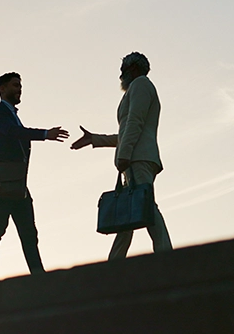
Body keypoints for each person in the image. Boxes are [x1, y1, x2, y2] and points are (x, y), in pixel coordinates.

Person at [71, 51, 172, 259]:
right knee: (129, 211)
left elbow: (135, 122)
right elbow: (127, 131)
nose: (120, 75)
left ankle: (166, 255)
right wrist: (95, 139)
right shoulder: (137, 88)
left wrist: (123, 155)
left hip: (138, 158)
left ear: (132, 69)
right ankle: (115, 263)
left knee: (145, 206)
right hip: (135, 158)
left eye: (122, 70)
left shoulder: (141, 84)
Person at [0, 72, 69, 282]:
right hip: (3, 182)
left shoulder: (12, 114)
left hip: (17, 183)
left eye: (20, 85)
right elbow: (12, 132)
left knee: (28, 232)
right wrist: (45, 134)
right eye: (15, 85)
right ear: (2, 88)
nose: (19, 89)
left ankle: (38, 276)